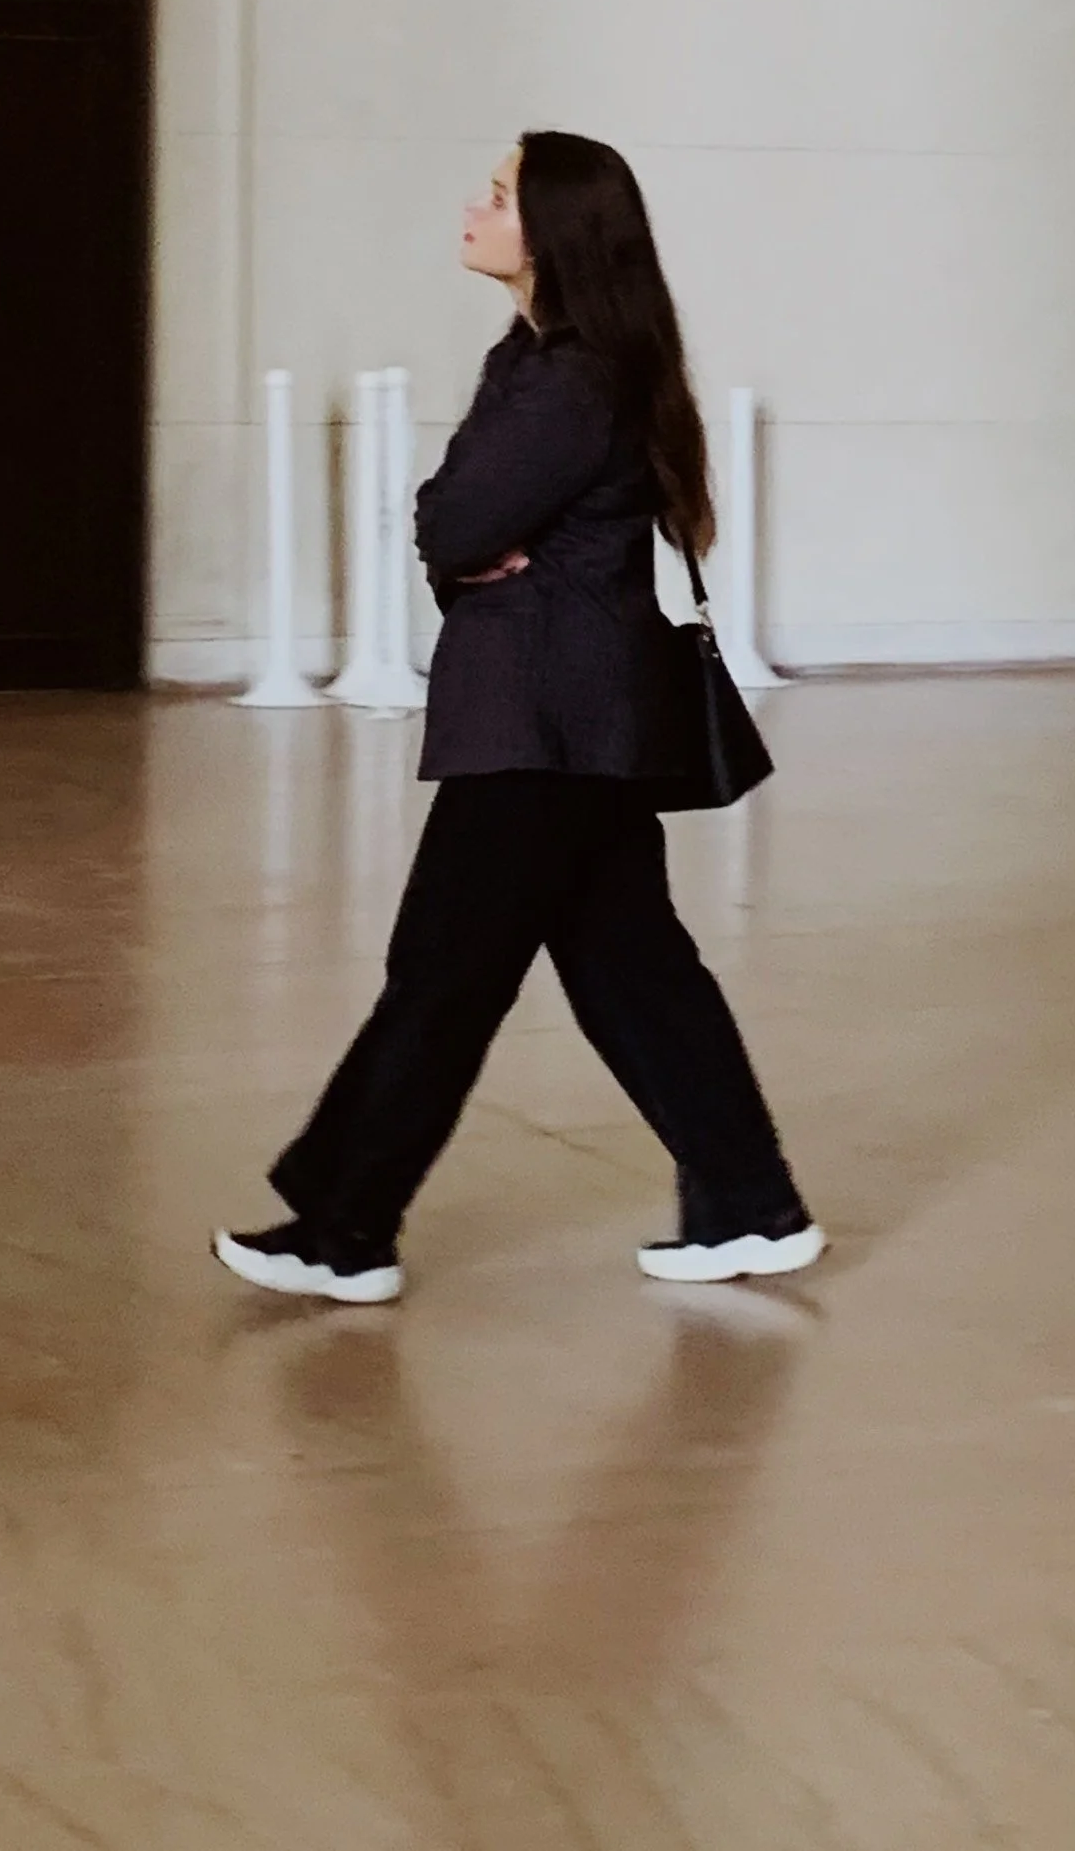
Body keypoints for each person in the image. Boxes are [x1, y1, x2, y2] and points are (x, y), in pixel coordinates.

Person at [214, 132, 824, 1306]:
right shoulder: (538, 361)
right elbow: (459, 520)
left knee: (444, 971)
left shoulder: (571, 379)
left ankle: (346, 1229)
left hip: (546, 722)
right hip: (571, 716)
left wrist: (467, 535)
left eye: (497, 195)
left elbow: (446, 526)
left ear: (553, 231)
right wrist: (467, 531)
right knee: (632, 965)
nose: (473, 206)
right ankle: (752, 1204)